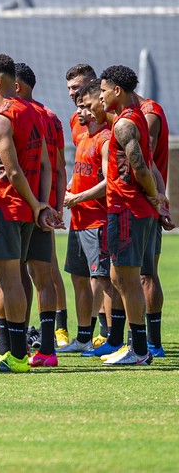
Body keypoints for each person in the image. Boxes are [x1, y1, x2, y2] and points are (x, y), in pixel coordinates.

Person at [0, 54, 58, 374]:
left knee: (8, 281)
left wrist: (38, 204)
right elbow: (44, 165)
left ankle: (18, 356)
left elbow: (12, 171)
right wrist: (38, 203)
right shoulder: (33, 112)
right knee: (4, 280)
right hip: (23, 210)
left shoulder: (1, 117)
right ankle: (8, 351)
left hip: (4, 207)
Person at [97, 65, 168, 366]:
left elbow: (140, 167)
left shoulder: (125, 124)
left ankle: (139, 349)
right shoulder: (134, 117)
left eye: (102, 91)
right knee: (119, 276)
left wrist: (153, 194)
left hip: (127, 210)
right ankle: (137, 346)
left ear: (117, 91)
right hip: (128, 209)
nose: (99, 97)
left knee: (128, 278)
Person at [14, 63, 67, 365]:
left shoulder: (11, 115)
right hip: (44, 208)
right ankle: (47, 349)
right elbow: (58, 167)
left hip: (19, 208)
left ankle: (15, 343)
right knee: (42, 276)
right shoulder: (51, 117)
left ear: (16, 86)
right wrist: (55, 207)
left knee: (13, 274)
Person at [60, 81, 112, 354]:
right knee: (79, 278)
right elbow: (81, 175)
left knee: (104, 280)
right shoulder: (82, 138)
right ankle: (83, 337)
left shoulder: (105, 139)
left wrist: (76, 198)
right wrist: (70, 188)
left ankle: (115, 338)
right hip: (78, 222)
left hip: (97, 222)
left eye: (84, 106)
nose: (79, 111)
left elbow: (109, 183)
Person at [136, 90, 171, 357]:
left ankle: (153, 343)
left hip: (145, 207)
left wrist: (161, 203)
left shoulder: (148, 114)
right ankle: (138, 341)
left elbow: (145, 162)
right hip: (134, 206)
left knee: (146, 274)